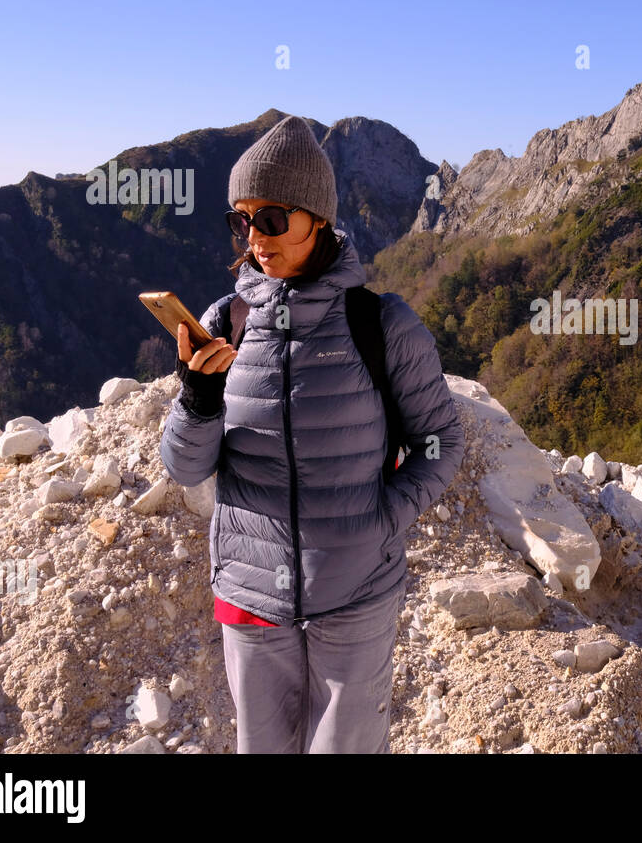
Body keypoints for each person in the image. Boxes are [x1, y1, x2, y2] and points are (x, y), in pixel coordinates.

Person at [158, 114, 464, 753]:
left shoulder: (379, 324)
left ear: (317, 218)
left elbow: (440, 441)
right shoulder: (226, 323)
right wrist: (198, 397)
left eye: (272, 218)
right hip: (249, 599)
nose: (254, 236)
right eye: (242, 219)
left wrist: (385, 517)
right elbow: (186, 470)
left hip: (354, 598)